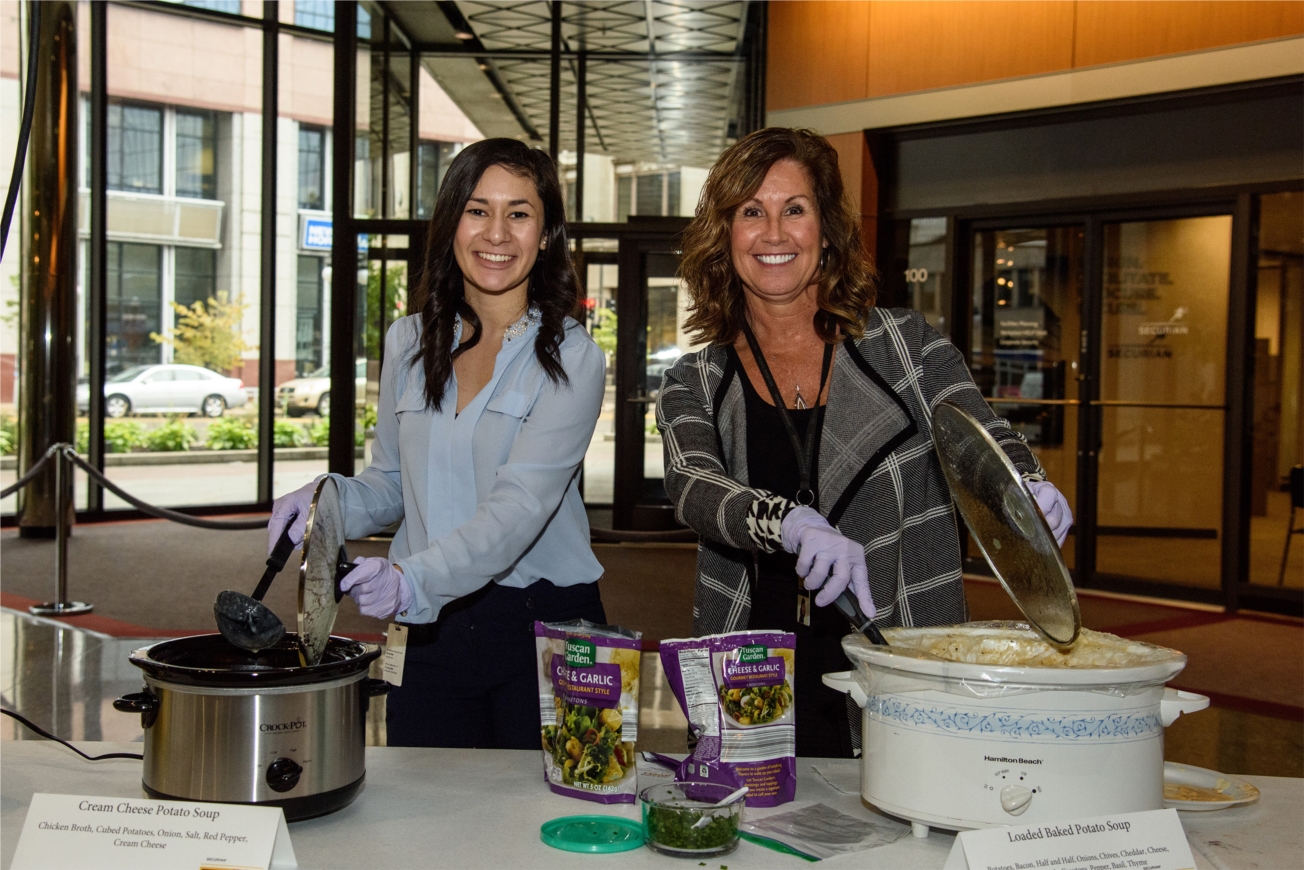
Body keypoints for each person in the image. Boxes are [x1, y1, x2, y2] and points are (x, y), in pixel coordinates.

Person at [656, 127, 1072, 758]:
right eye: (751, 212)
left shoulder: (906, 346)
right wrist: (786, 522)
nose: (773, 233)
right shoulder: (696, 380)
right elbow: (693, 487)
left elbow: (978, 432)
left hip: (900, 660)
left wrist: (1024, 486)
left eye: (794, 209)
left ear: (826, 231)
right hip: (750, 674)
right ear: (725, 235)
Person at [268, 138, 607, 749]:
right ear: (452, 222)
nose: (496, 233)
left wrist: (410, 582)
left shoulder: (572, 358)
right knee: (422, 816)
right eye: (477, 210)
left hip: (544, 625)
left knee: (540, 826)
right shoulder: (408, 343)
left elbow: (518, 510)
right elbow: (393, 482)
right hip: (429, 629)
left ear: (547, 232)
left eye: (519, 213)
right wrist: (327, 502)